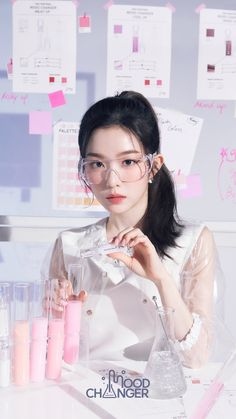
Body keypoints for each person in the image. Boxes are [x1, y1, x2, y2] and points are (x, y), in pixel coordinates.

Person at [48, 91, 219, 368]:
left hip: (160, 397)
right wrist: (52, 315)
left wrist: (160, 278)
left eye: (128, 162)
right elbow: (55, 356)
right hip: (87, 394)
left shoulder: (193, 241)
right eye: (97, 164)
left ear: (153, 167)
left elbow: (196, 357)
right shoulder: (70, 245)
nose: (111, 180)